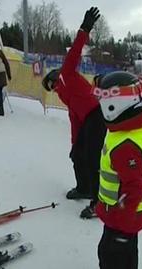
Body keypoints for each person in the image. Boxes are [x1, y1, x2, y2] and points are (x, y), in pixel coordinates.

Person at [42, 7, 106, 218]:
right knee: (77, 154)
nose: (52, 90)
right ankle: (84, 188)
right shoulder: (62, 93)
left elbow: (75, 50)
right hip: (86, 120)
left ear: (53, 77)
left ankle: (99, 202)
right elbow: (74, 116)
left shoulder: (66, 73)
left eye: (50, 85)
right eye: (50, 89)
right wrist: (74, 142)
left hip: (97, 115)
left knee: (94, 159)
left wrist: (85, 27)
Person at [92, 71, 142, 269]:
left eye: (103, 99)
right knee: (125, 257)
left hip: (122, 219)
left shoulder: (126, 145)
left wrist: (121, 221)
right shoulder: (129, 128)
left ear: (115, 104)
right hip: (126, 217)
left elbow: (134, 188)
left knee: (112, 258)